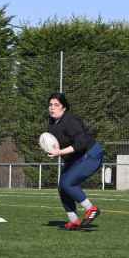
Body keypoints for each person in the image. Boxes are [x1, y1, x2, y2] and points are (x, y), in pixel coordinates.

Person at [45, 92, 103, 231]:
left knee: (67, 184)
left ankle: (91, 209)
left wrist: (59, 152)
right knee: (62, 188)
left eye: (56, 105)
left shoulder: (70, 120)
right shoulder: (51, 124)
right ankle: (74, 221)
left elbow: (81, 144)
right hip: (75, 158)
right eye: (50, 105)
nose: (52, 107)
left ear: (64, 107)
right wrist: (49, 150)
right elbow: (58, 145)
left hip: (91, 155)